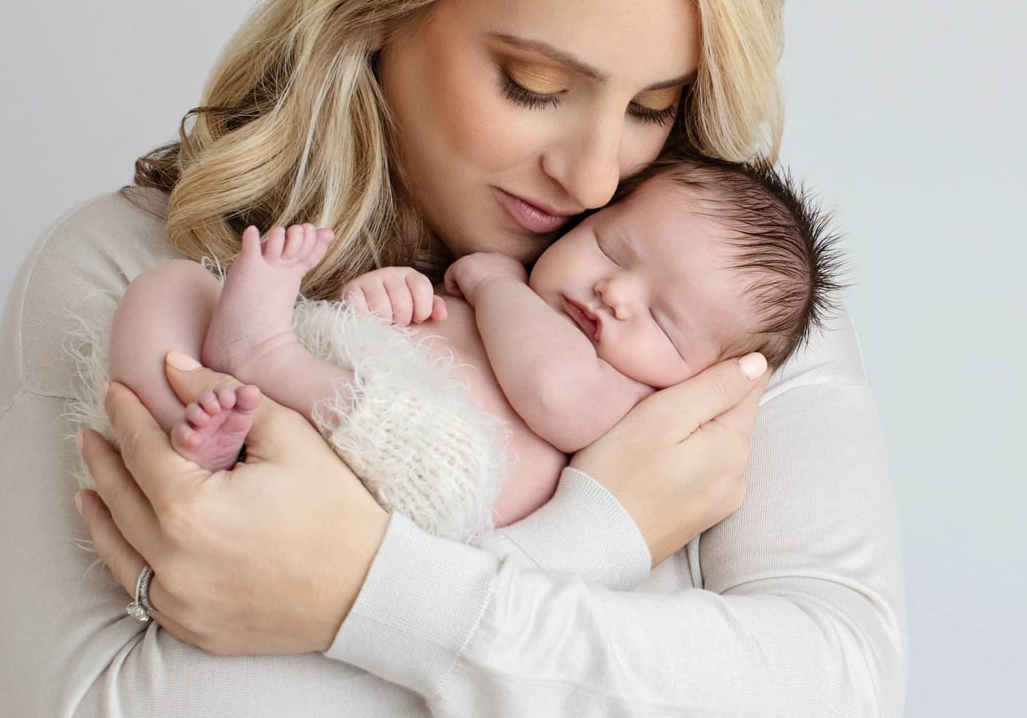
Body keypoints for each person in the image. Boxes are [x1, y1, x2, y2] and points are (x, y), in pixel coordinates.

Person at [0, 0, 908, 718]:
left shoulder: (722, 302)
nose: (595, 180)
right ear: (378, 2)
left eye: (651, 106)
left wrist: (356, 596)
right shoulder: (128, 272)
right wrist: (603, 529)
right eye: (535, 86)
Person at [104, 155, 841, 539]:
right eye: (611, 250)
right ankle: (196, 436)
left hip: (411, 479)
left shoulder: (628, 401)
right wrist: (391, 297)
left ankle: (258, 355)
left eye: (663, 319)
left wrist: (493, 285)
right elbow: (381, 332)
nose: (616, 295)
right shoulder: (504, 291)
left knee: (420, 434)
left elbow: (553, 391)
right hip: (304, 405)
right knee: (167, 289)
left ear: (710, 378)